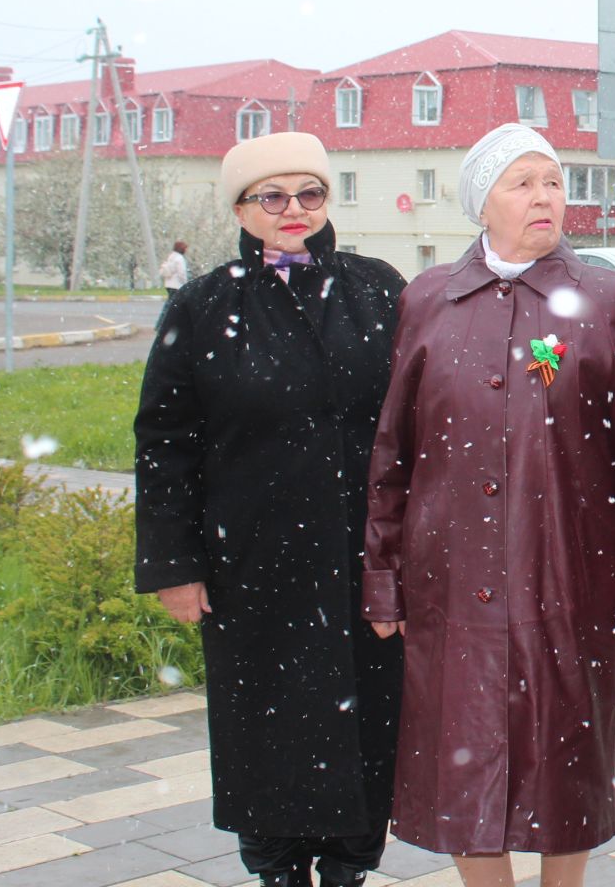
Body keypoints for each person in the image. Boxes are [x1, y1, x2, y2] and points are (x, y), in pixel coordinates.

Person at [362, 123, 615, 887]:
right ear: (482, 203)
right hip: (451, 579)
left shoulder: (605, 301)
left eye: (553, 182)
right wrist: (382, 573)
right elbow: (392, 451)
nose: (544, 198)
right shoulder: (430, 301)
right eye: (521, 183)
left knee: (570, 764)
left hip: (568, 574)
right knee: (463, 768)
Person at [134, 132, 406, 887]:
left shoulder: (377, 289)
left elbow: (419, 415)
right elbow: (164, 443)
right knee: (266, 736)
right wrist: (174, 564)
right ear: (242, 208)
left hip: (362, 562)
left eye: (310, 194)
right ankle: (277, 869)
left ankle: (352, 866)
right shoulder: (203, 304)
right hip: (252, 567)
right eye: (273, 197)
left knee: (367, 729)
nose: (294, 211)